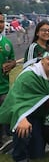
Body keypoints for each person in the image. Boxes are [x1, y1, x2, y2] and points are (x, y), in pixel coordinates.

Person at [0, 45, 49, 162]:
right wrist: (21, 117)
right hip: (24, 114)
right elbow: (15, 98)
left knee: (37, 154)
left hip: (39, 116)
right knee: (23, 128)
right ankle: (19, 158)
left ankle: (12, 146)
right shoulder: (29, 75)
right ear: (42, 59)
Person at [0, 12, 17, 152]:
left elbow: (12, 60)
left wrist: (11, 65)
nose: (0, 24)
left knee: (5, 114)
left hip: (3, 87)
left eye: (1, 21)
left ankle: (4, 140)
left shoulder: (7, 43)